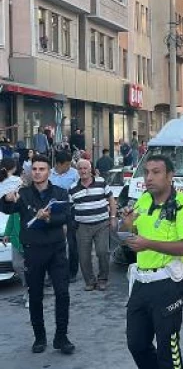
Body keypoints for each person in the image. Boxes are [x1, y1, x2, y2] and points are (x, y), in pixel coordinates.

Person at [120, 154, 183, 369]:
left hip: (168, 284)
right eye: (146, 172)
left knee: (167, 350)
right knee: (136, 344)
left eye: (156, 172)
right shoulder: (143, 199)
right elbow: (133, 234)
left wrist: (148, 244)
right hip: (141, 282)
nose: (149, 177)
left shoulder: (182, 206)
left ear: (169, 176)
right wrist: (127, 225)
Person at [0, 155, 75, 354]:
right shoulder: (23, 193)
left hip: (57, 250)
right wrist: (5, 199)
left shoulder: (59, 192)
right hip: (33, 251)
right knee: (35, 296)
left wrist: (49, 218)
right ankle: (39, 338)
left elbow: (67, 216)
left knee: (62, 294)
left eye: (42, 169)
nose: (37, 172)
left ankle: (61, 337)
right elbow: (7, 209)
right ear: (30, 172)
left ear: (48, 171)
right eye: (34, 169)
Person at [71, 159, 117, 291]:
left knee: (103, 252)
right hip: (82, 226)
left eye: (85, 168)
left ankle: (102, 279)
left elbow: (111, 200)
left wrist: (113, 217)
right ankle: (90, 281)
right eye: (80, 169)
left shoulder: (101, 182)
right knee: (84, 256)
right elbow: (70, 208)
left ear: (90, 169)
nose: (83, 171)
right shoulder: (72, 188)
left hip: (102, 224)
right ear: (77, 171)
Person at [0, 158, 28, 308]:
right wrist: (7, 233)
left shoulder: (22, 188)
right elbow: (10, 214)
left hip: (27, 233)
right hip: (15, 232)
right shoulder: (16, 182)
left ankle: (31, 291)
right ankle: (30, 287)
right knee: (18, 265)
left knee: (29, 265)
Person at [50, 150, 80, 282]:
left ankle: (72, 272)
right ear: (59, 164)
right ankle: (53, 273)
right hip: (53, 212)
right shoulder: (49, 174)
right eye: (67, 164)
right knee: (53, 243)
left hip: (70, 211)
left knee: (72, 243)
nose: (69, 167)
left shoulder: (74, 174)